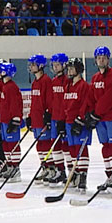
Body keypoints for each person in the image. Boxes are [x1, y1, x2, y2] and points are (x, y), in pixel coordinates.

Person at [89, 46, 112, 196]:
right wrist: (91, 113)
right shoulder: (95, 78)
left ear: (108, 59)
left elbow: (110, 97)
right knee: (106, 146)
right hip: (101, 118)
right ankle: (110, 177)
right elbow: (92, 97)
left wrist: (96, 113)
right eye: (99, 57)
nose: (101, 59)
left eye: (104, 57)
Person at [64, 58, 94, 192]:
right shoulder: (68, 86)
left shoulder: (84, 86)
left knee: (81, 149)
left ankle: (83, 175)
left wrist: (80, 119)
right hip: (69, 122)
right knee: (72, 149)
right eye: (68, 68)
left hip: (80, 123)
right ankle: (75, 173)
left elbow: (86, 104)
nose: (69, 71)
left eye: (72, 68)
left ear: (78, 70)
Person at [27, 54, 55, 183]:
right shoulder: (35, 82)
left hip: (43, 118)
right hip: (36, 119)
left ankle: (51, 168)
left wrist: (48, 115)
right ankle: (44, 167)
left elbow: (49, 100)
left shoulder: (46, 81)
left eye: (33, 64)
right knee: (40, 145)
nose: (31, 67)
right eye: (31, 65)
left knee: (46, 144)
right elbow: (34, 102)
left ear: (41, 66)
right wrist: (30, 117)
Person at [0, 61, 25, 182]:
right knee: (6, 144)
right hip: (4, 120)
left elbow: (15, 105)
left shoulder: (11, 87)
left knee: (13, 144)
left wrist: (15, 119)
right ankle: (9, 166)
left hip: (10, 121)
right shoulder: (4, 86)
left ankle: (15, 168)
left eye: (1, 71)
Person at [48, 53, 71, 185]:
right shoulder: (54, 81)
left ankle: (70, 172)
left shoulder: (68, 81)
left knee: (66, 146)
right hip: (55, 119)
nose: (55, 67)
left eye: (57, 65)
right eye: (54, 65)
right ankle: (60, 171)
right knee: (55, 145)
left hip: (65, 119)